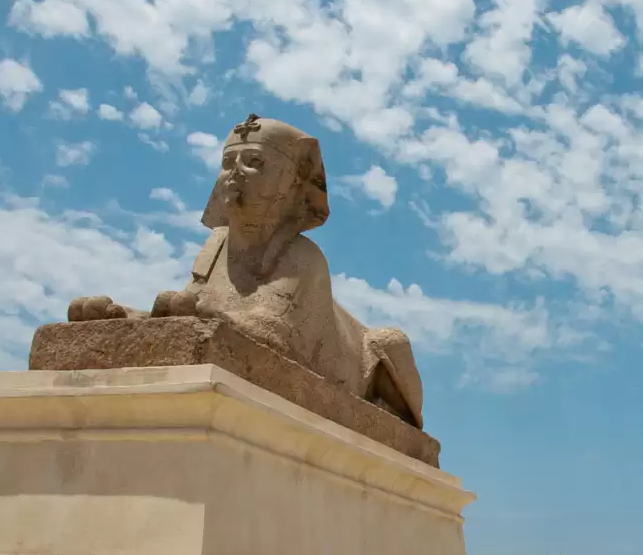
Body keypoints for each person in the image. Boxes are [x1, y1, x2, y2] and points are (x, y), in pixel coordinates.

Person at [67, 114, 423, 428]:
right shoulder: (217, 246)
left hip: (354, 370)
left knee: (389, 341)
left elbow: (276, 336)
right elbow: (186, 313)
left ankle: (393, 417)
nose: (235, 172)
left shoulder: (303, 257)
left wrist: (205, 313)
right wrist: (125, 317)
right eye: (228, 162)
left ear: (293, 182)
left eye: (254, 162)